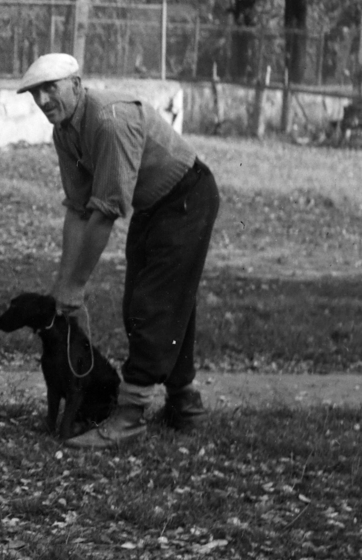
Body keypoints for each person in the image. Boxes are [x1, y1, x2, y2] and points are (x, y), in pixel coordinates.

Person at [18, 52, 220, 449]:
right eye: (35, 93)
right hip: (154, 206)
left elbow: (105, 211)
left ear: (76, 84)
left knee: (153, 306)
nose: (42, 101)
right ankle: (186, 406)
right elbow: (78, 211)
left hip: (186, 199)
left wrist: (77, 284)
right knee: (152, 305)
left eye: (50, 89)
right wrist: (64, 288)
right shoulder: (65, 132)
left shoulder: (109, 120)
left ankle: (129, 418)